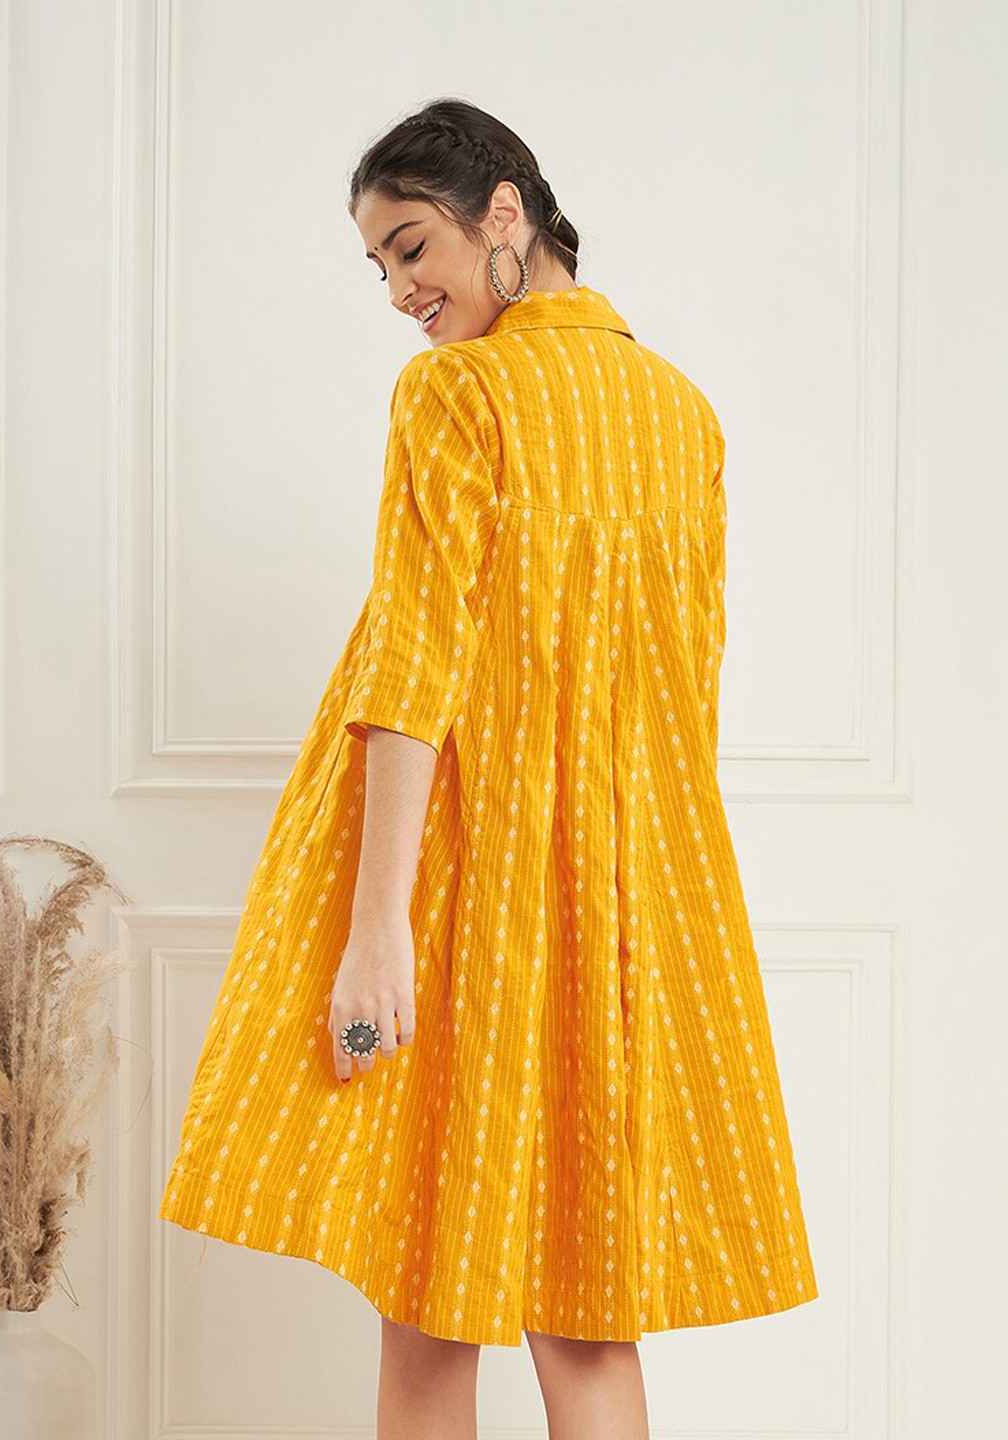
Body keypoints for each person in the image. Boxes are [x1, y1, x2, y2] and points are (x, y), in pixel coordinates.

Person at [158, 98, 819, 1440]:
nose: (400, 292)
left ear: (503, 212)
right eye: (380, 267)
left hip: (465, 902)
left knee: (428, 1311)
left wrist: (375, 930)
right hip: (617, 912)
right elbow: (685, 686)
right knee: (589, 1325)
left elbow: (413, 671)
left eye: (412, 247)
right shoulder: (684, 413)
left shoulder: (457, 394)